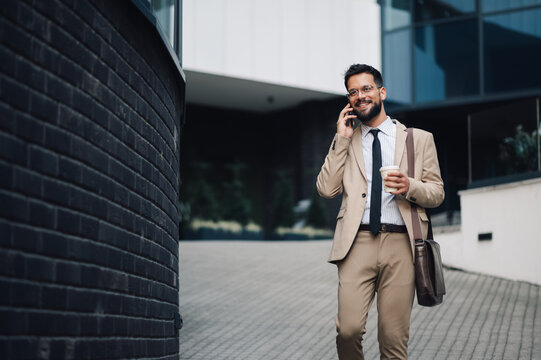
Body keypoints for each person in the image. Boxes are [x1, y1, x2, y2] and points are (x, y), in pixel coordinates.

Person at [316, 64, 444, 359]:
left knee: (393, 339)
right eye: (353, 92)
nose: (360, 96)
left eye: (366, 88)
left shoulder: (418, 139)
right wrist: (341, 139)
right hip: (356, 243)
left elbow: (437, 192)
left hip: (402, 245)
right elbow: (326, 189)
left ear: (381, 92)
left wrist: (409, 185)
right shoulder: (345, 140)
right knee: (347, 331)